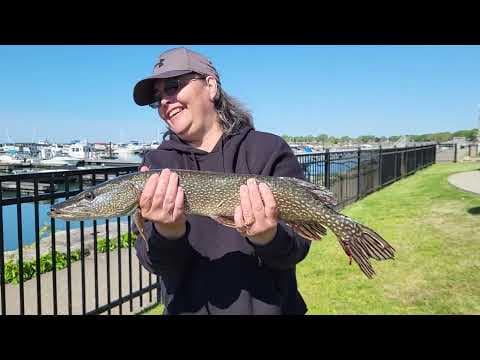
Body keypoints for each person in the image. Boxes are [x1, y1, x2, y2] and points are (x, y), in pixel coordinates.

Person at [132, 47, 311, 315]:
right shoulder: (157, 166)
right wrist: (168, 233)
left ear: (211, 86)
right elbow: (154, 262)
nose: (165, 102)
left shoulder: (269, 149)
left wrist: (268, 237)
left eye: (172, 86)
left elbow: (296, 247)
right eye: (157, 99)